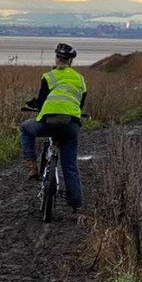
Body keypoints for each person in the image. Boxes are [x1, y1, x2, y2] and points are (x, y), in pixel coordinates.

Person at [20, 43, 87, 213]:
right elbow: (80, 104)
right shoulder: (80, 79)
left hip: (48, 123)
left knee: (25, 128)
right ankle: (76, 205)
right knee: (70, 166)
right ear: (71, 61)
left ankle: (32, 168)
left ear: (57, 58)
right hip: (71, 124)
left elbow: (41, 102)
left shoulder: (49, 76)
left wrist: (34, 105)